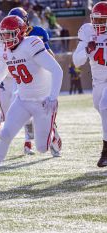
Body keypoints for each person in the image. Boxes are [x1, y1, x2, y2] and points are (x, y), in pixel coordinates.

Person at [0, 15, 63, 186]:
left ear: (20, 33)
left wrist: (53, 97)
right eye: (3, 34)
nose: (6, 38)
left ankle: (54, 138)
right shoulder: (5, 50)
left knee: (42, 148)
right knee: (5, 135)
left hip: (42, 102)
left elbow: (57, 70)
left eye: (9, 34)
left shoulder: (32, 44)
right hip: (22, 100)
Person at [0, 7, 61, 156]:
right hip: (17, 78)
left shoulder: (37, 34)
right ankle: (28, 141)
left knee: (43, 110)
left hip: (36, 77)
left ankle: (49, 139)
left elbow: (49, 53)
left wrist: (51, 70)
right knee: (18, 113)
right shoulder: (7, 34)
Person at [73, 1, 107, 167]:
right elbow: (77, 61)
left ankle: (105, 152)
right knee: (99, 106)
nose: (98, 24)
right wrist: (86, 49)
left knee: (104, 105)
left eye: (102, 20)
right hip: (98, 80)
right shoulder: (87, 31)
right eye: (96, 20)